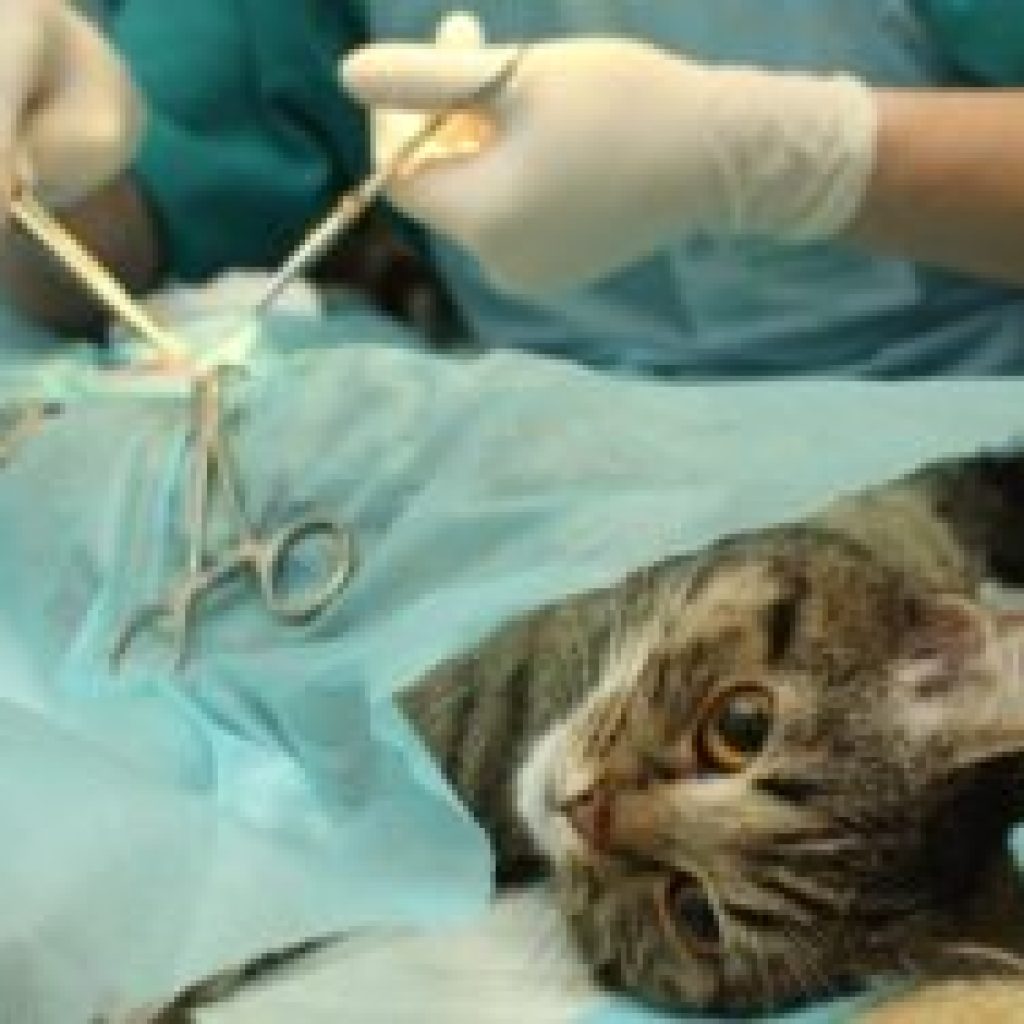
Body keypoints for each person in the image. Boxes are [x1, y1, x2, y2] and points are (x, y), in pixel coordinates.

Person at [0, 0, 1022, 376]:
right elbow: (103, 256)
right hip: (548, 470)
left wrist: (785, 155)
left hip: (974, 422)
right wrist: (40, 156)